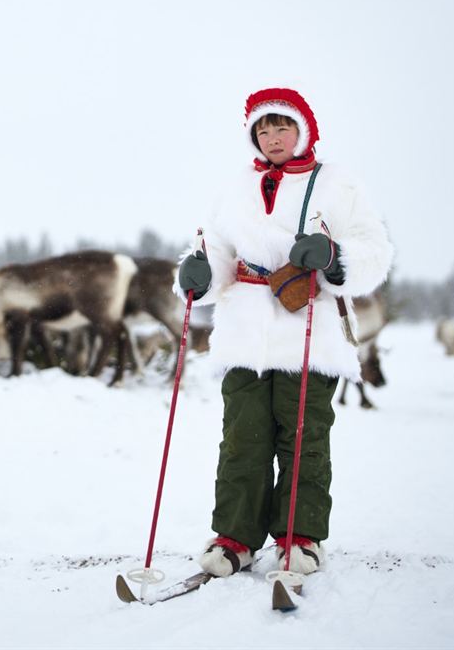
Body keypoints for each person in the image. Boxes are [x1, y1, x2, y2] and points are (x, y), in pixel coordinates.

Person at [173, 88, 393, 577]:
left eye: (282, 126)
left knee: (303, 437)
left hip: (310, 328)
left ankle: (301, 537)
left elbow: (375, 249)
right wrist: (199, 276)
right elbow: (217, 251)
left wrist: (336, 258)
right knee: (242, 440)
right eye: (263, 129)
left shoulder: (338, 184)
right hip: (245, 331)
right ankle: (235, 537)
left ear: (303, 130)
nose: (272, 137)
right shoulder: (234, 188)